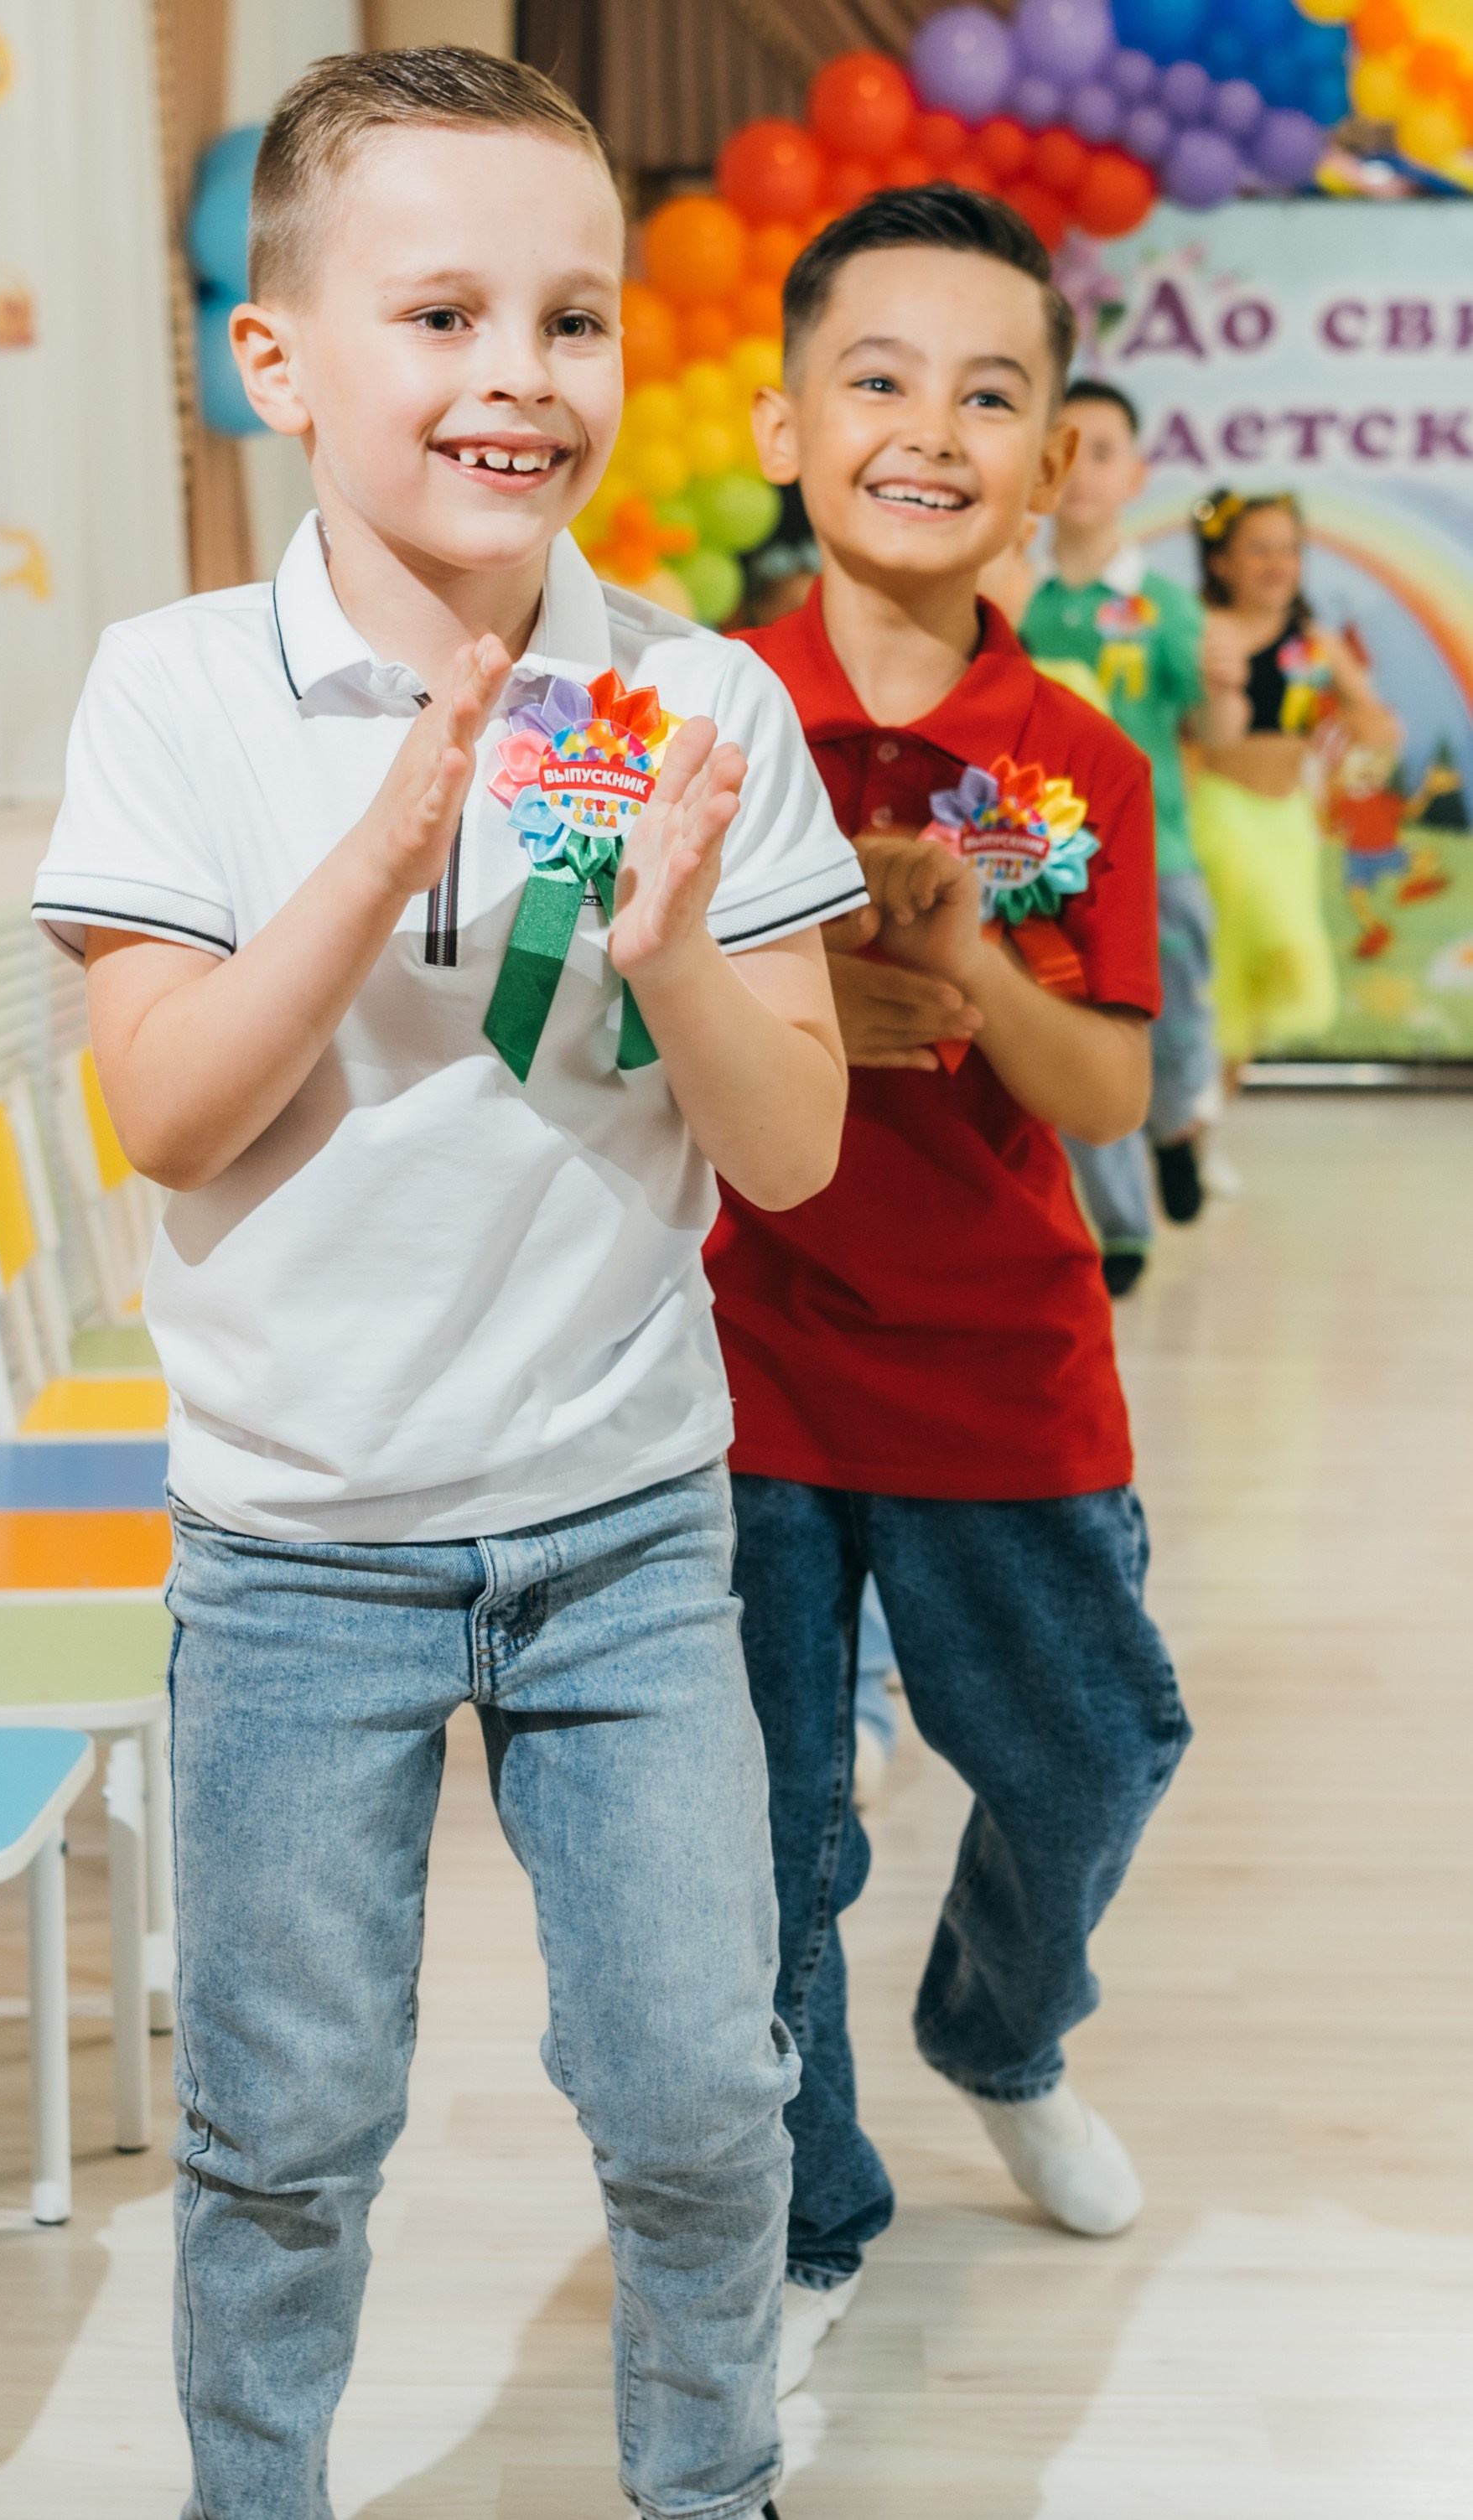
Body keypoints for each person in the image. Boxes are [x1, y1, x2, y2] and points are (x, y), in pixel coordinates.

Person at [31, 48, 878, 2520]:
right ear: (274, 357)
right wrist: (395, 810)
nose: (523, 371)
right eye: (441, 311)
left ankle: (704, 2489)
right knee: (281, 2127)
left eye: (573, 315)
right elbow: (166, 1113)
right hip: (296, 1556)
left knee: (706, 2101)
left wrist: (675, 952)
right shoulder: (174, 687)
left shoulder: (695, 705)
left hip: (624, 1533)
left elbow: (794, 1147)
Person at [707, 182, 1192, 2396]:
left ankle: (996, 2026)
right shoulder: (682, 724)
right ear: (784, 418)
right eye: (875, 378)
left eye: (986, 389)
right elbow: (563, 1029)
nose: (928, 426)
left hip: (1005, 1364)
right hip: (729, 1361)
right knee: (769, 1827)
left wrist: (973, 962)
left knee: (1094, 1750)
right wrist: (788, 966)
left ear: (1045, 448)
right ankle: (807, 2206)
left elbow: (1109, 1078)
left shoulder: (1072, 756)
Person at [1019, 380, 1216, 1295]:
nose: (1086, 472)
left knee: (1176, 1031)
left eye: (1107, 452)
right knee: (1082, 1039)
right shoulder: (1019, 600)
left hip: (1158, 861)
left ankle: (1179, 1127)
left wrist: (1223, 683)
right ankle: (1123, 1227)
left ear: (1135, 474)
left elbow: (1212, 731)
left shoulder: (1167, 608)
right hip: (1049, 871)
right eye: (1070, 449)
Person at [1190, 489, 1398, 1090]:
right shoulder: (1209, 631)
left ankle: (1213, 1114)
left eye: (1288, 549)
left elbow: (1380, 724)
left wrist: (1364, 726)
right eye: (1258, 549)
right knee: (1233, 957)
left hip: (1289, 821)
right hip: (1221, 812)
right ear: (1221, 562)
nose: (1276, 563)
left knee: (1265, 972)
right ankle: (1193, 1113)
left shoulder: (1317, 641)